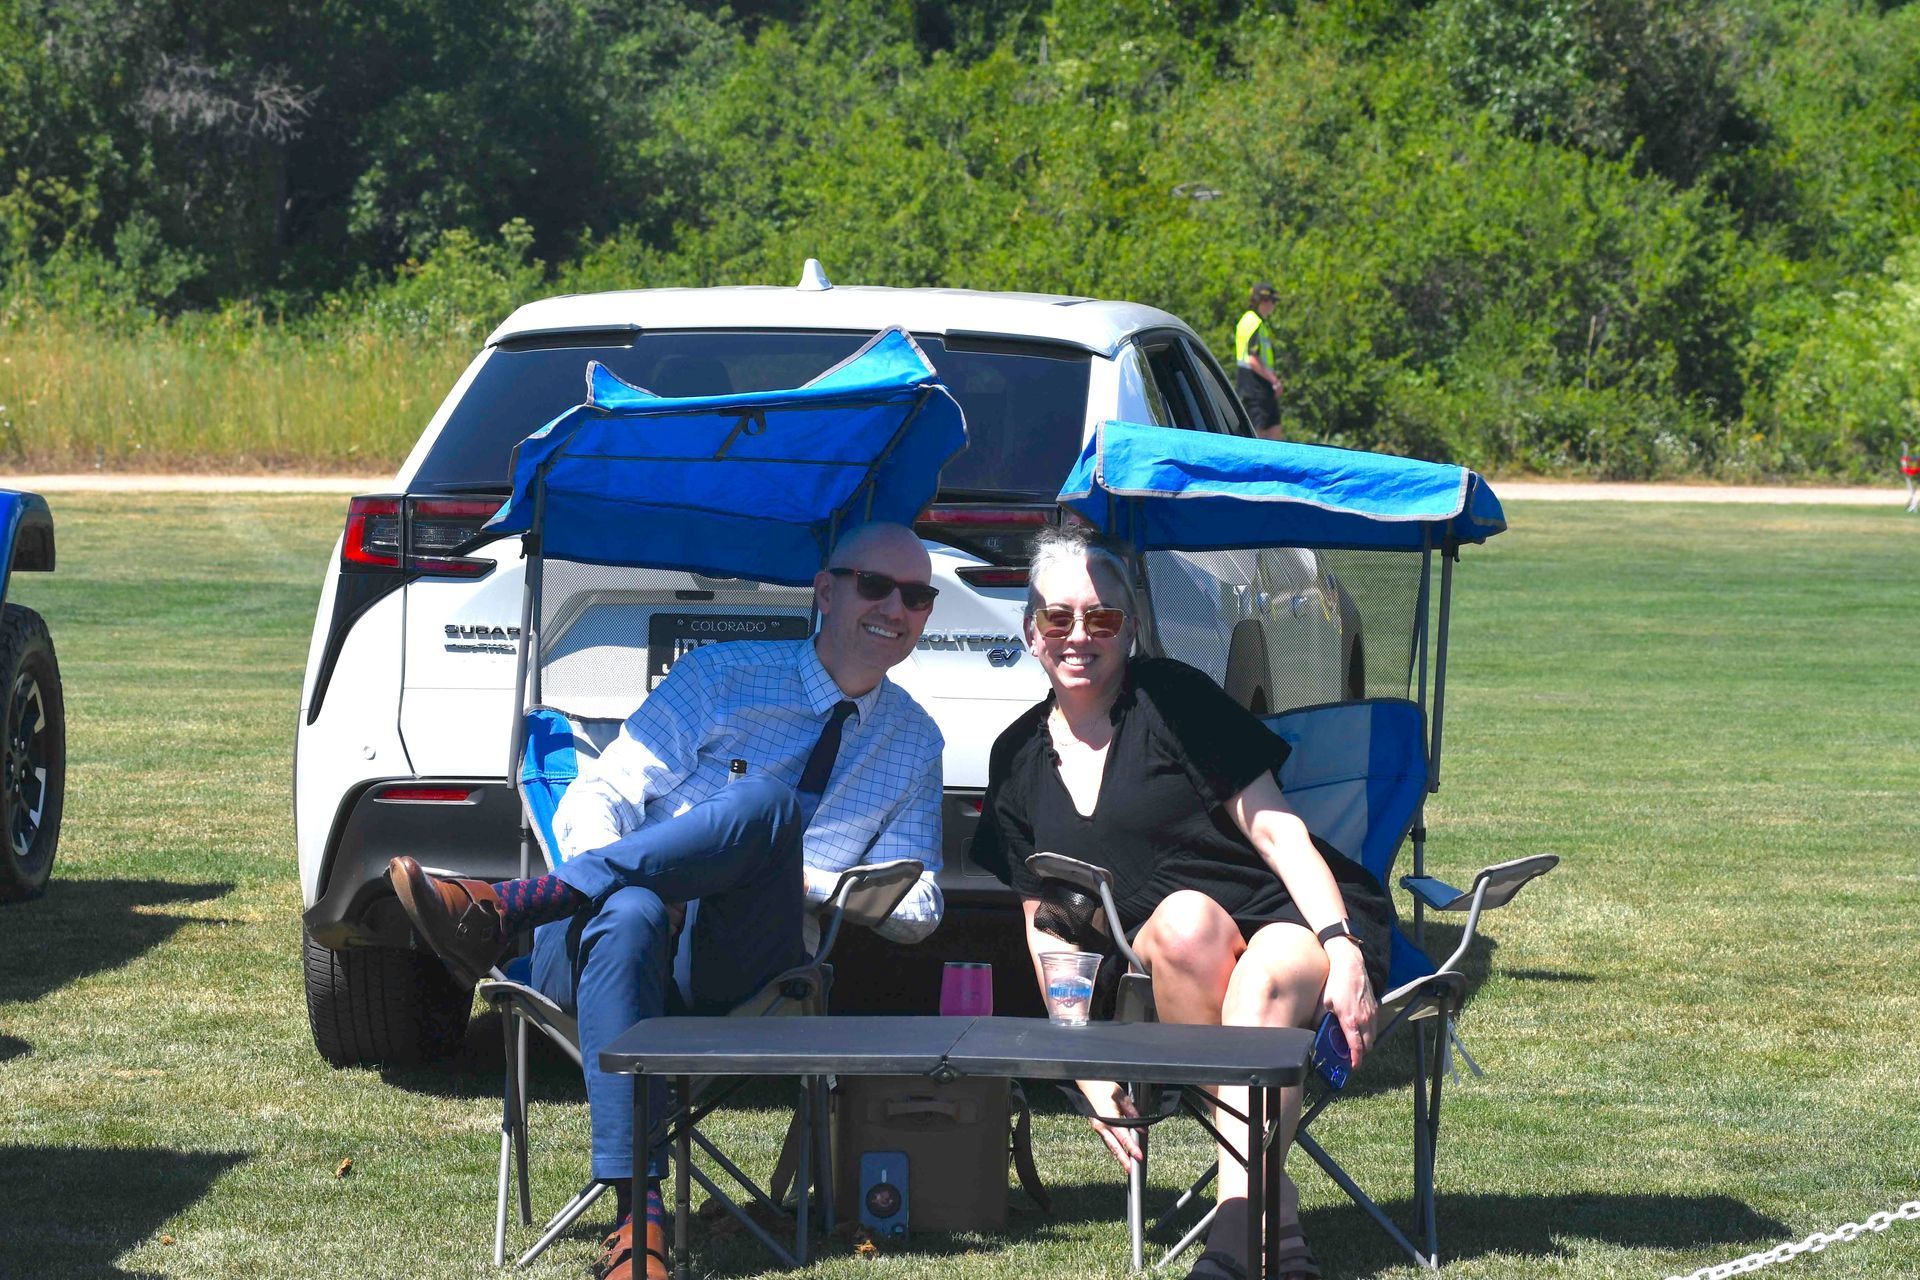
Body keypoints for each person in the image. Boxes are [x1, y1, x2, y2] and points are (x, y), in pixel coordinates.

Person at [386, 521, 945, 1280]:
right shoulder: (722, 675)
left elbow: (923, 905)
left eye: (917, 596)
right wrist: (641, 879)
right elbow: (599, 795)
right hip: (601, 952)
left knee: (765, 811)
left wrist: (802, 881)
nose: (896, 609)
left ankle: (509, 907)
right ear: (824, 591)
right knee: (633, 911)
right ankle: (640, 1222)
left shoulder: (914, 739)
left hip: (739, 969)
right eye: (875, 585)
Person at [971, 524, 1391, 1280]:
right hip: (1177, 956)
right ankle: (1274, 1210)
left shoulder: (1173, 701)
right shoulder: (1017, 759)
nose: (1078, 636)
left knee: (1247, 966)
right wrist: (1082, 1061)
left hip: (1292, 919)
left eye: (1101, 618)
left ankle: (1233, 1238)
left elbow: (1278, 831)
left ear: (1130, 629)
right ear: (1031, 632)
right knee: (1184, 923)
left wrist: (1343, 946)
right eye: (1058, 618)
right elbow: (1047, 929)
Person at [1234, 282, 1286, 440]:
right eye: (1273, 301)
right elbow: (1252, 359)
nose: (1274, 306)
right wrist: (1274, 381)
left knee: (1274, 430)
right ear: (1263, 301)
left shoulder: (1249, 320)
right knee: (1258, 437)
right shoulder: (1254, 323)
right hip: (1256, 388)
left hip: (1258, 388)